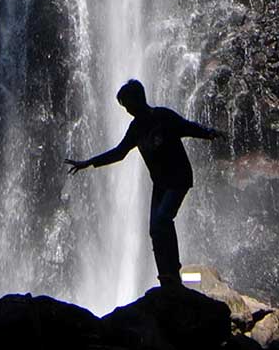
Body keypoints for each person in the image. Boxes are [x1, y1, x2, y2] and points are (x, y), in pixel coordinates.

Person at [65, 79, 220, 287]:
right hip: (161, 183)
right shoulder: (136, 128)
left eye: (127, 104)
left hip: (179, 178)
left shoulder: (163, 116)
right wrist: (89, 163)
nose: (127, 109)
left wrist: (210, 133)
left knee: (163, 219)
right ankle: (165, 275)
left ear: (138, 99)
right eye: (124, 106)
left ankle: (173, 272)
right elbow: (119, 153)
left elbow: (188, 127)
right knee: (155, 229)